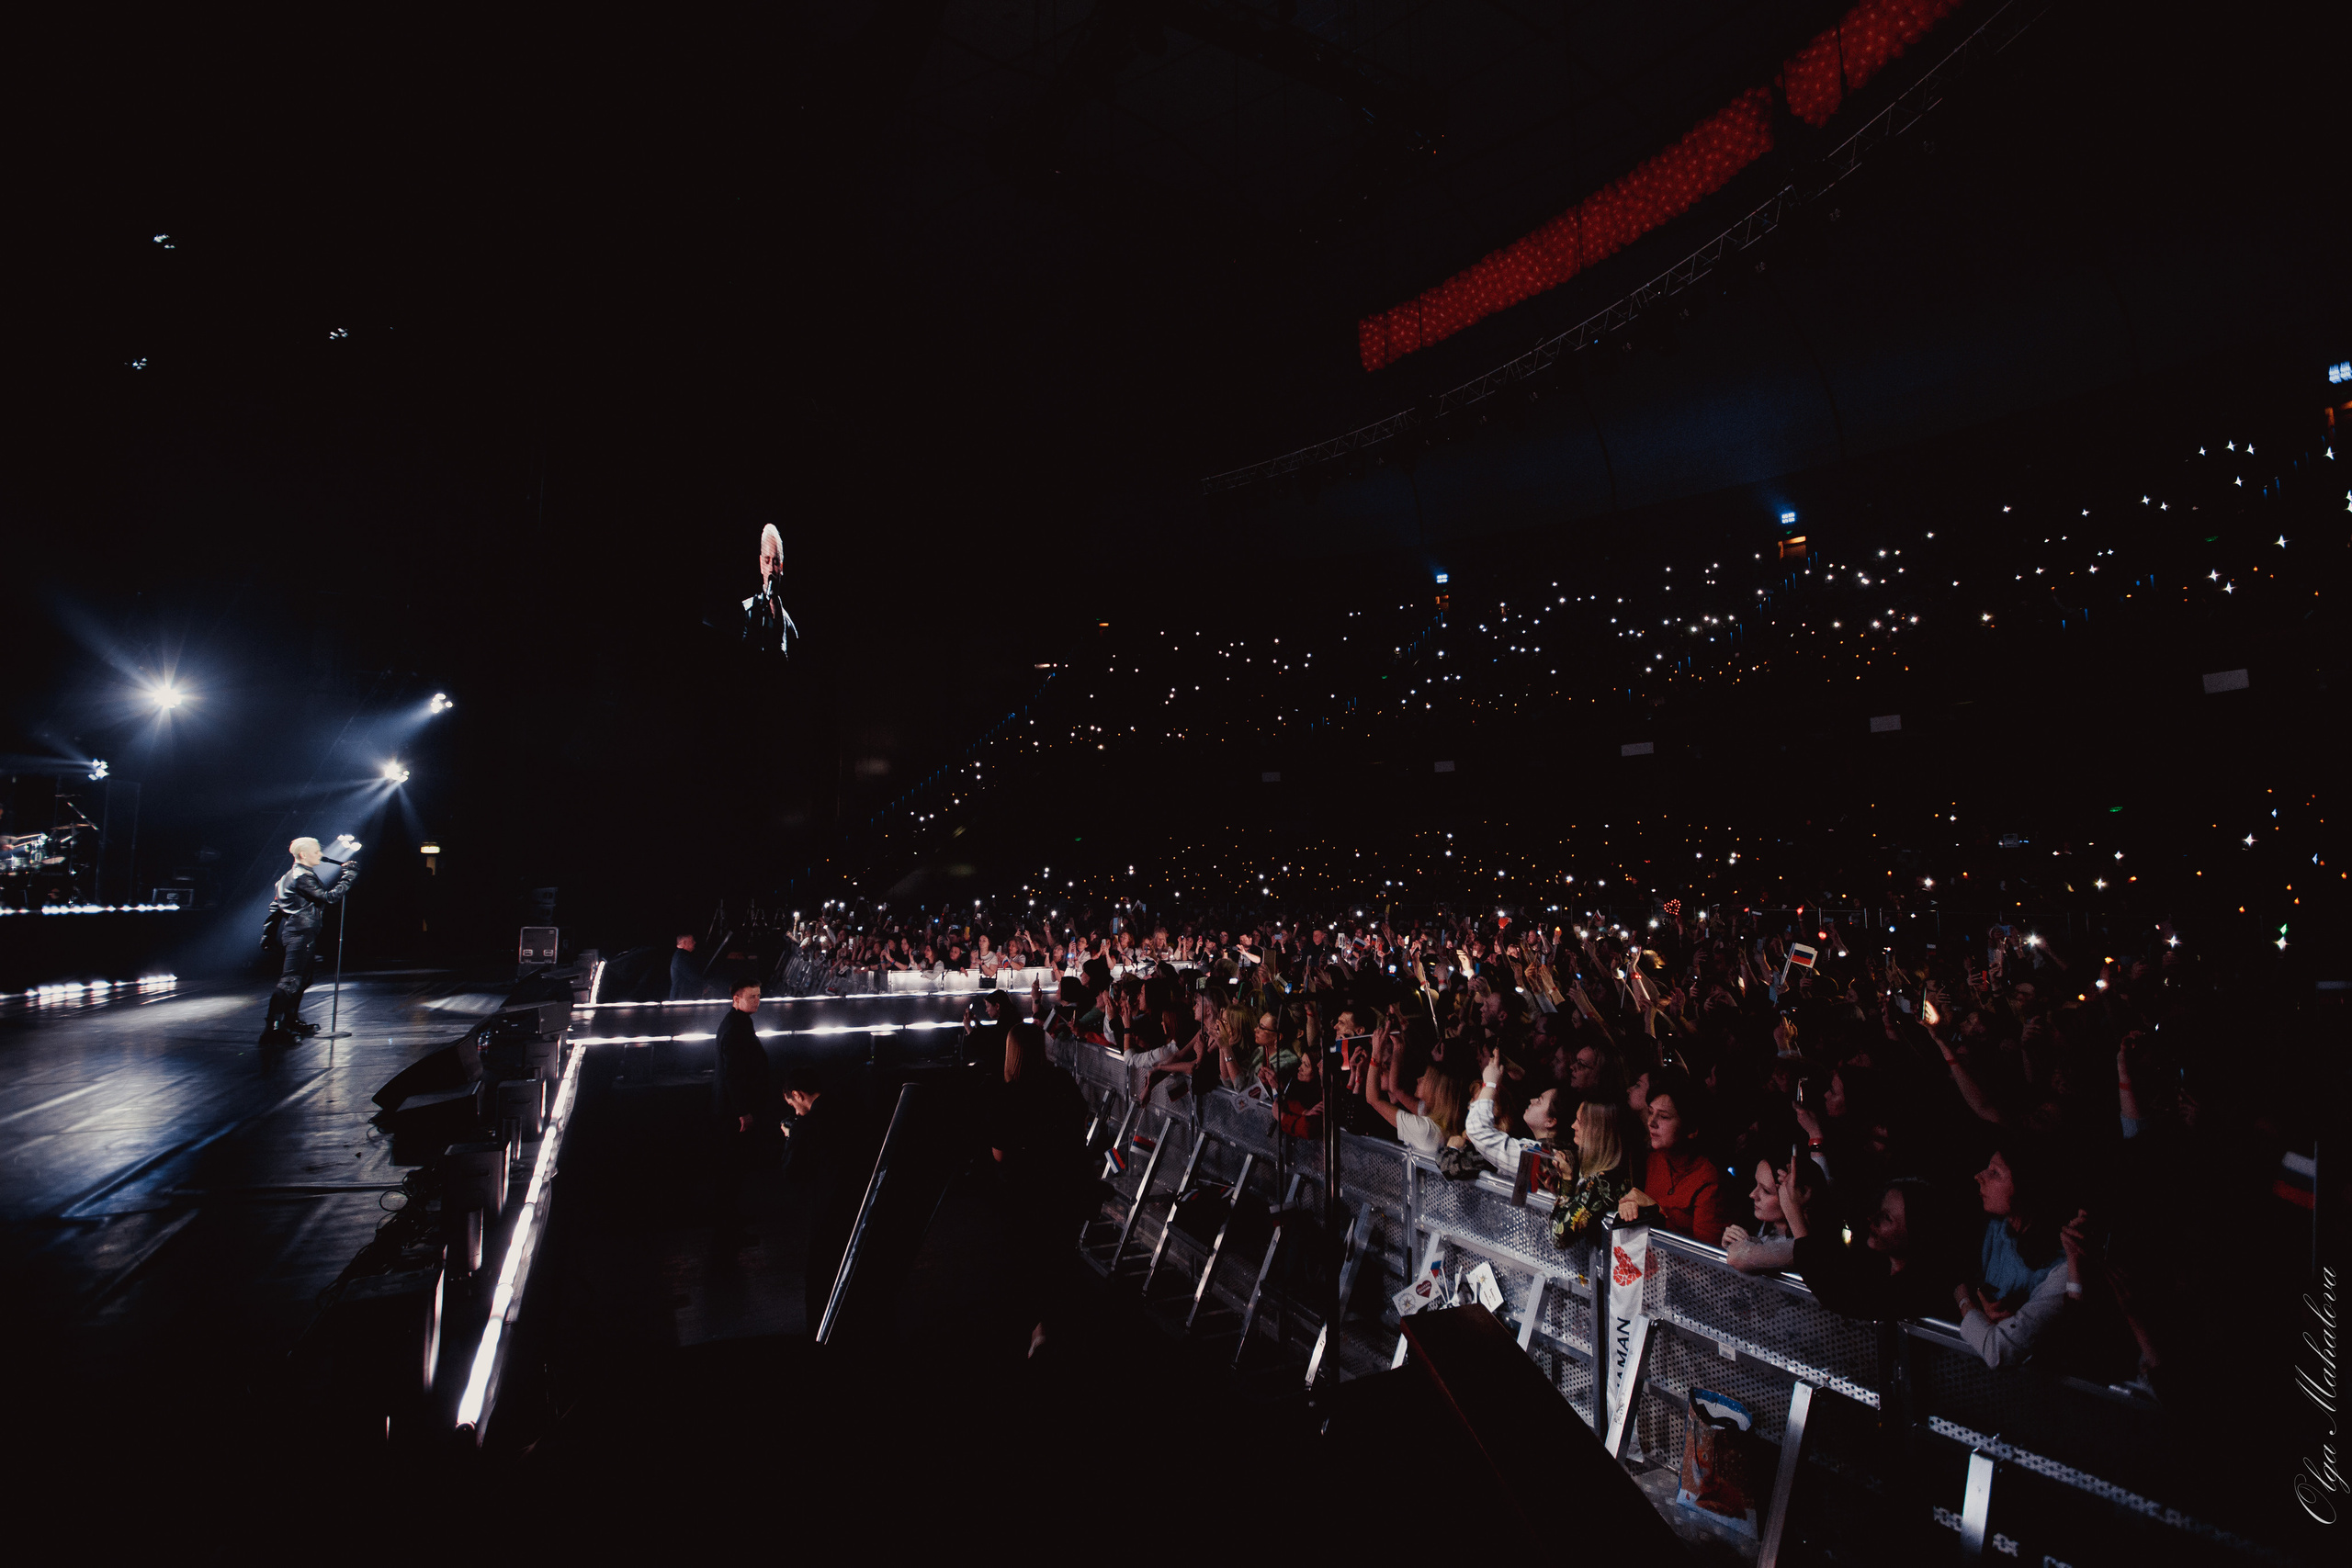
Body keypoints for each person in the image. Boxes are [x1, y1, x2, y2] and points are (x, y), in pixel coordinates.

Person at [992, 1021, 1089, 1357]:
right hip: (1061, 1182)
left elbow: (1000, 1151)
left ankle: (1039, 1328)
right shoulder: (1061, 1081)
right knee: (1057, 1252)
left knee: (1029, 1257)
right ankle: (1058, 1323)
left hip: (1024, 1189)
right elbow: (1081, 1121)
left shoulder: (1008, 1093)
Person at [1950, 1138, 2072, 1367]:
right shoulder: (1991, 1228)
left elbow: (2004, 1348)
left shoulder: (2063, 1263)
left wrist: (1969, 1308)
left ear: (2026, 1187)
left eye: (1995, 1173)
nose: (1979, 1176)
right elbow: (1958, 1276)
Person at [259, 836, 358, 1046]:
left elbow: (274, 909)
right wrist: (348, 877)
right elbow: (329, 897)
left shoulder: (286, 878)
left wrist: (267, 935)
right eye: (316, 852)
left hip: (300, 932)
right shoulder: (302, 876)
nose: (320, 855)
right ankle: (273, 1029)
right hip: (300, 933)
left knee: (303, 980)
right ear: (303, 855)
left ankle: (291, 1021)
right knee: (291, 981)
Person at [1619, 1072, 1724, 1242]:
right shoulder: (1654, 1159)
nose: (1652, 1122)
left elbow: (1705, 1259)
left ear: (1691, 1130)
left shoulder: (1710, 1181)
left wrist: (1654, 1211)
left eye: (1664, 1117)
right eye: (1650, 1112)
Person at [710, 979, 775, 1236]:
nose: (757, 1001)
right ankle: (729, 1226)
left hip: (730, 1109)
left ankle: (730, 1222)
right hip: (732, 1113)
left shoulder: (737, 1023)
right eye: (751, 997)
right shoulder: (736, 1028)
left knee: (733, 1169)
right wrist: (743, 1111)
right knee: (732, 1169)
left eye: (759, 996)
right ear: (736, 999)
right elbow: (733, 1075)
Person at [1550, 1098, 1640, 1247]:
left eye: (1579, 1122)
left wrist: (1566, 1180)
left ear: (1598, 1131)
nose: (1573, 1126)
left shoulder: (1602, 1182)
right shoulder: (1618, 1169)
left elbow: (1558, 1236)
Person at [741, 521, 799, 655]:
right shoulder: (745, 612)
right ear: (761, 565)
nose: (771, 569)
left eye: (776, 562)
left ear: (781, 568)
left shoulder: (790, 628)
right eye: (767, 561)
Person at [669, 932, 705, 1000]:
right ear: (684, 943)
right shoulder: (682, 957)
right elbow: (693, 976)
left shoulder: (680, 956)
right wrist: (703, 985)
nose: (695, 943)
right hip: (681, 999)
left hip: (682, 998)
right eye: (692, 941)